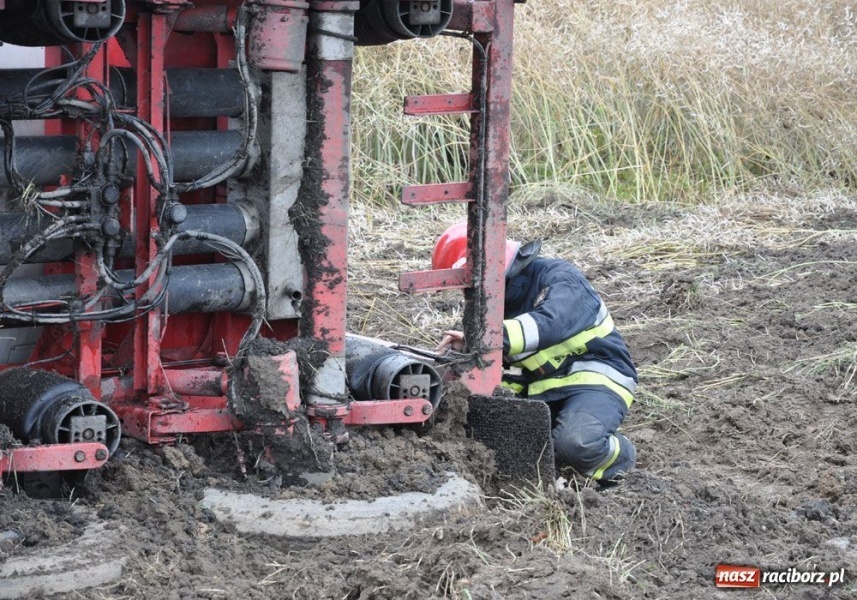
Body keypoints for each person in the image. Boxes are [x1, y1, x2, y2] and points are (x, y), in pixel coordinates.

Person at [433, 222, 637, 485]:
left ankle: (620, 461)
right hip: (541, 390)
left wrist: (485, 339)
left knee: (576, 444)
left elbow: (549, 324)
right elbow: (501, 369)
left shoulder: (559, 277)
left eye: (468, 285)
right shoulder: (491, 308)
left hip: (596, 381)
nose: (467, 294)